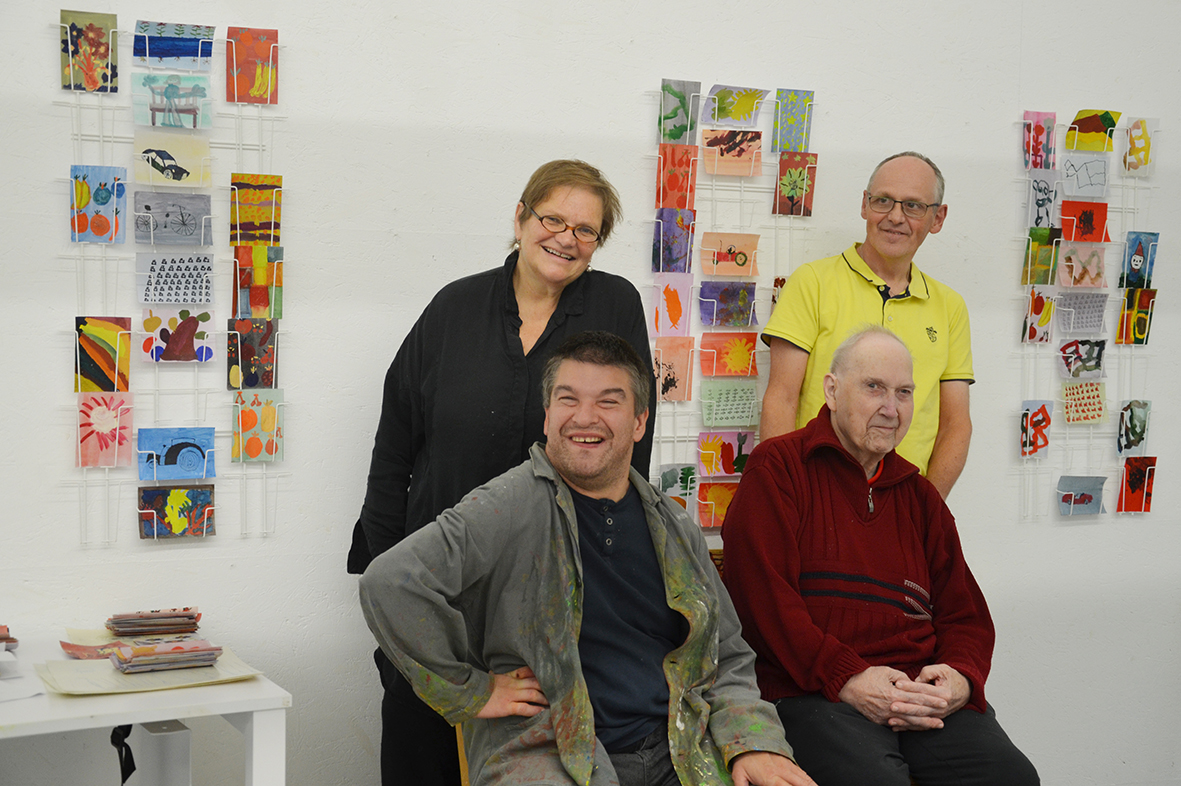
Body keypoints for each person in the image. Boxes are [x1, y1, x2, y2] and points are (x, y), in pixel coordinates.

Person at [360, 332, 815, 786]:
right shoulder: (507, 505)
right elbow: (389, 583)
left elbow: (726, 654)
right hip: (549, 753)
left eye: (608, 402)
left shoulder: (674, 526)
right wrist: (472, 691)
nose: (584, 417)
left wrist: (753, 742)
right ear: (547, 416)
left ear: (639, 422)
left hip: (679, 749)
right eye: (568, 399)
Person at [346, 161, 657, 786]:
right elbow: (394, 446)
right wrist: (394, 573)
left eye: (586, 230)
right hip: (444, 584)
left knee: (530, 763)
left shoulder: (614, 304)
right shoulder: (454, 308)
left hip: (555, 600)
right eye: (553, 219)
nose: (566, 238)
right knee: (422, 755)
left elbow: (628, 448)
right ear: (520, 218)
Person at [723, 327, 1038, 786]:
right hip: (812, 692)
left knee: (1010, 777)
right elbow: (762, 604)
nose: (891, 408)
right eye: (874, 387)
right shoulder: (779, 469)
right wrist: (847, 677)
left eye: (903, 392)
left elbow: (965, 616)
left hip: (915, 696)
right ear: (832, 391)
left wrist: (959, 678)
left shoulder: (920, 497)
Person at [759, 152, 972, 498]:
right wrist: (786, 499)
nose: (895, 217)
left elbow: (956, 424)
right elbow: (781, 400)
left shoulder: (951, 307)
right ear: (864, 204)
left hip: (906, 503)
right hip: (814, 497)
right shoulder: (812, 282)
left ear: (938, 217)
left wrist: (926, 510)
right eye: (883, 200)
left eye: (913, 206)